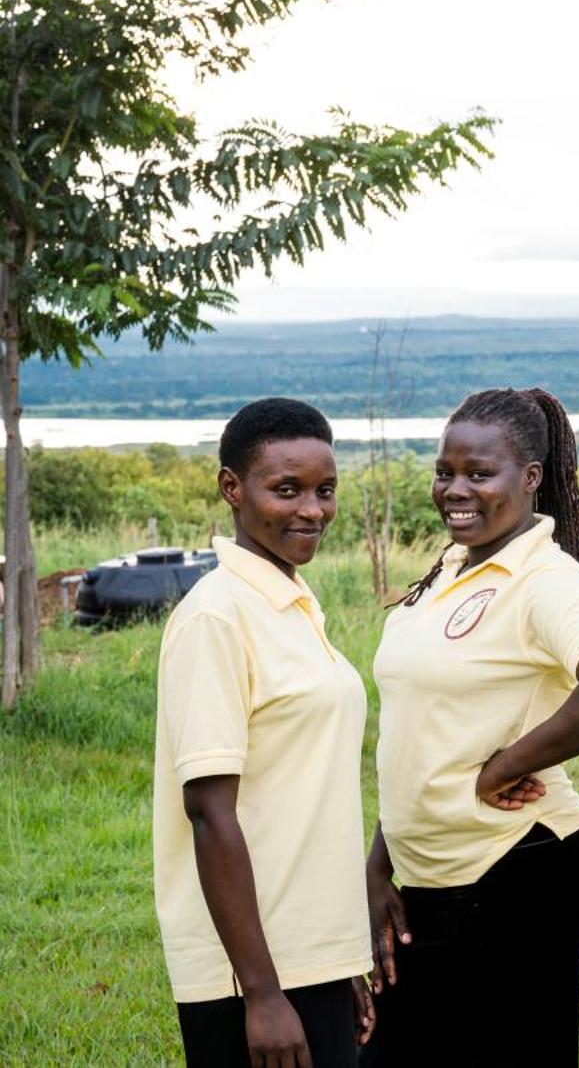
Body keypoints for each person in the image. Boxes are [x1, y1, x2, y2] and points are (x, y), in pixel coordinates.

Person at [363, 387, 579, 1066]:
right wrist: (381, 862)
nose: (456, 488)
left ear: (530, 478)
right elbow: (423, 730)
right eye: (446, 471)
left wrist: (507, 763)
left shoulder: (546, 579)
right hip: (430, 876)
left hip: (519, 868)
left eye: (479, 472)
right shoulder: (450, 571)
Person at [152, 397, 375, 1067]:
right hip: (250, 970)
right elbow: (210, 811)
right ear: (232, 487)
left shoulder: (290, 603)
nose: (312, 509)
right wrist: (263, 993)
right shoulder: (215, 618)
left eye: (325, 490)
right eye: (287, 489)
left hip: (310, 955)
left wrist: (338, 958)